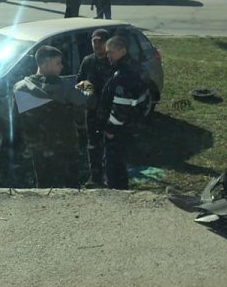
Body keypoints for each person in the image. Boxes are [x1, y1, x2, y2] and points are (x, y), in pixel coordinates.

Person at [13, 46, 88, 188]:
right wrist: (87, 82)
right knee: (71, 187)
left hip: (38, 149)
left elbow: (16, 121)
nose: (62, 67)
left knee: (44, 186)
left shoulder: (19, 88)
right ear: (46, 64)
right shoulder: (65, 88)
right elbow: (88, 99)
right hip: (66, 147)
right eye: (58, 63)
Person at [96, 36, 147, 189]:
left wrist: (111, 129)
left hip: (118, 130)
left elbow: (121, 106)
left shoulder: (124, 74)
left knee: (114, 165)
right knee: (120, 163)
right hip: (129, 125)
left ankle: (116, 193)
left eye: (111, 52)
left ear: (122, 51)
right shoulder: (131, 67)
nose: (108, 56)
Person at [76, 29, 115, 187]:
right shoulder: (88, 61)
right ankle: (95, 177)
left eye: (100, 41)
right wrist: (89, 93)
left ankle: (110, 176)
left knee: (111, 144)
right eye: (94, 42)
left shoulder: (112, 61)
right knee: (93, 145)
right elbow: (79, 81)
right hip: (92, 111)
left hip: (110, 111)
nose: (97, 45)